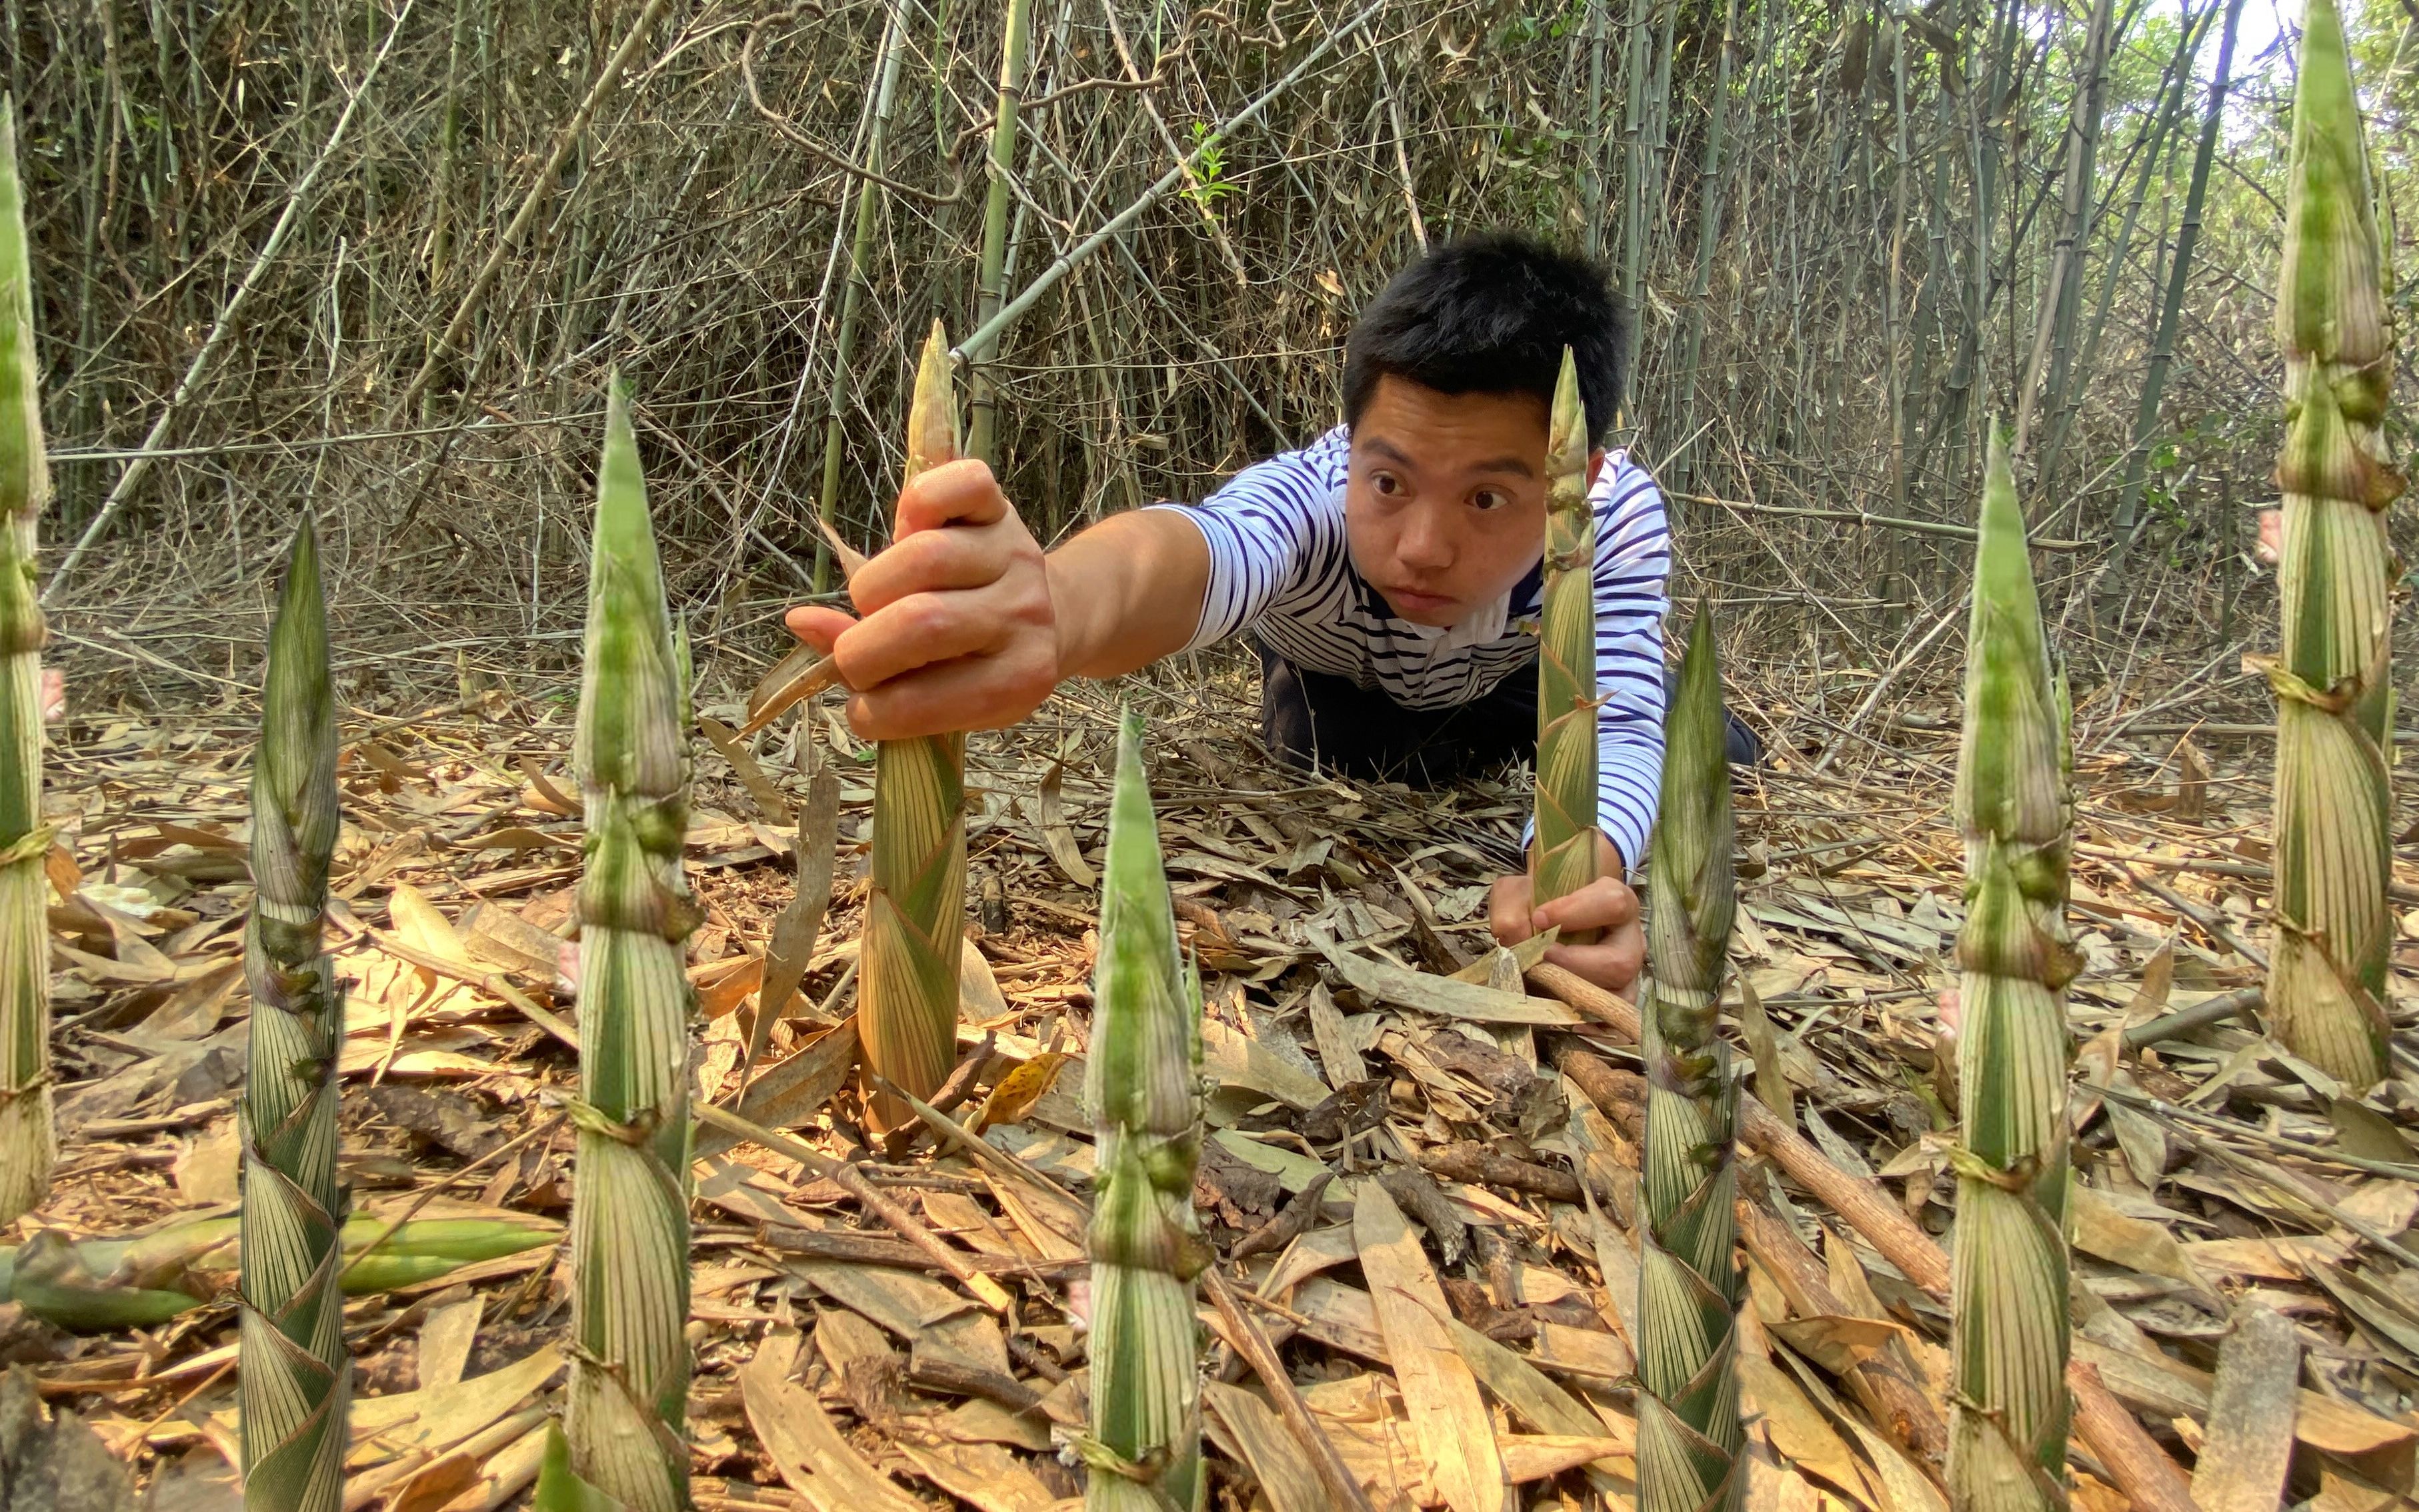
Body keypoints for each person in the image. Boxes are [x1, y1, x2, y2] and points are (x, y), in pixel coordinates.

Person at [785, 233, 1671, 995]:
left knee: (1694, 752)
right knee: (1336, 757)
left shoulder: (1613, 521)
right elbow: (1193, 553)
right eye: (1390, 482)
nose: (1424, 549)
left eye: (1486, 499)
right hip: (1343, 693)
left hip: (1522, 690)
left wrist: (1579, 864)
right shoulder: (1311, 503)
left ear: (1574, 484)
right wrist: (1056, 606)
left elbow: (1622, 726)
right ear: (1351, 444)